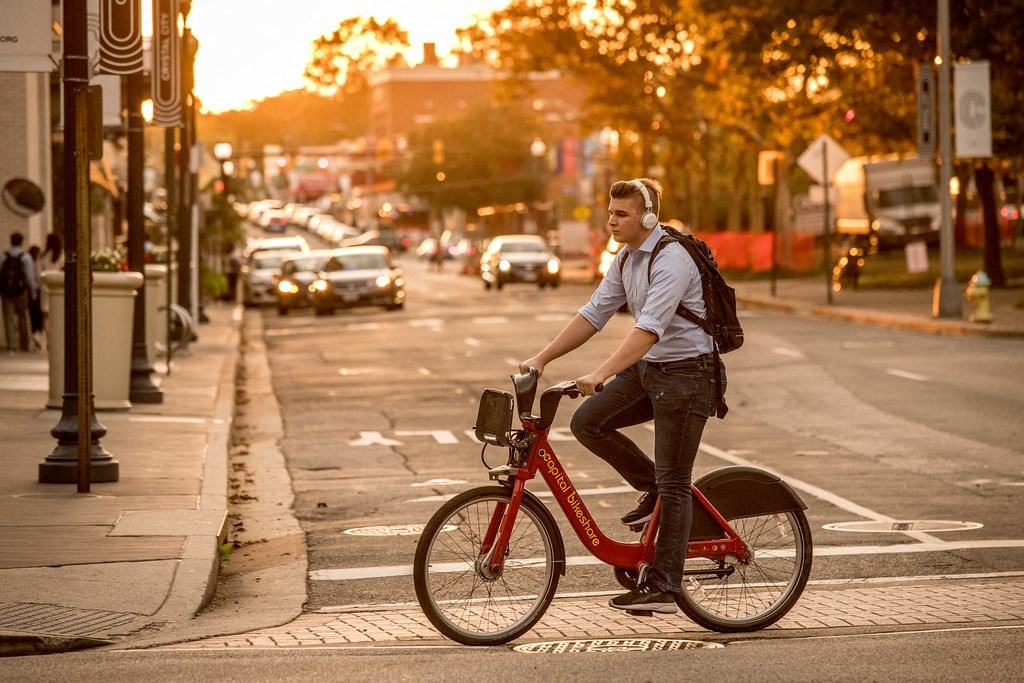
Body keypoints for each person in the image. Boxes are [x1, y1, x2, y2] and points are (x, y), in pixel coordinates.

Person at [519, 178, 723, 614]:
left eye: (621, 214)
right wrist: (541, 359)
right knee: (587, 423)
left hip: (688, 375)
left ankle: (666, 585)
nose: (611, 221)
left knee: (675, 481)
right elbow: (593, 314)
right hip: (649, 371)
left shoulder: (673, 260)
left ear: (647, 217)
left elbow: (649, 329)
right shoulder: (626, 259)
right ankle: (655, 492)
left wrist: (600, 372)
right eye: (610, 213)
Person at [1, 232, 39, 353]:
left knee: (9, 318)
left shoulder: (3, 256)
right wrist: (33, 292)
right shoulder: (26, 257)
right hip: (21, 291)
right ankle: (25, 344)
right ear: (21, 242)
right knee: (23, 316)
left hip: (6, 291)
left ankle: (12, 345)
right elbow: (29, 277)